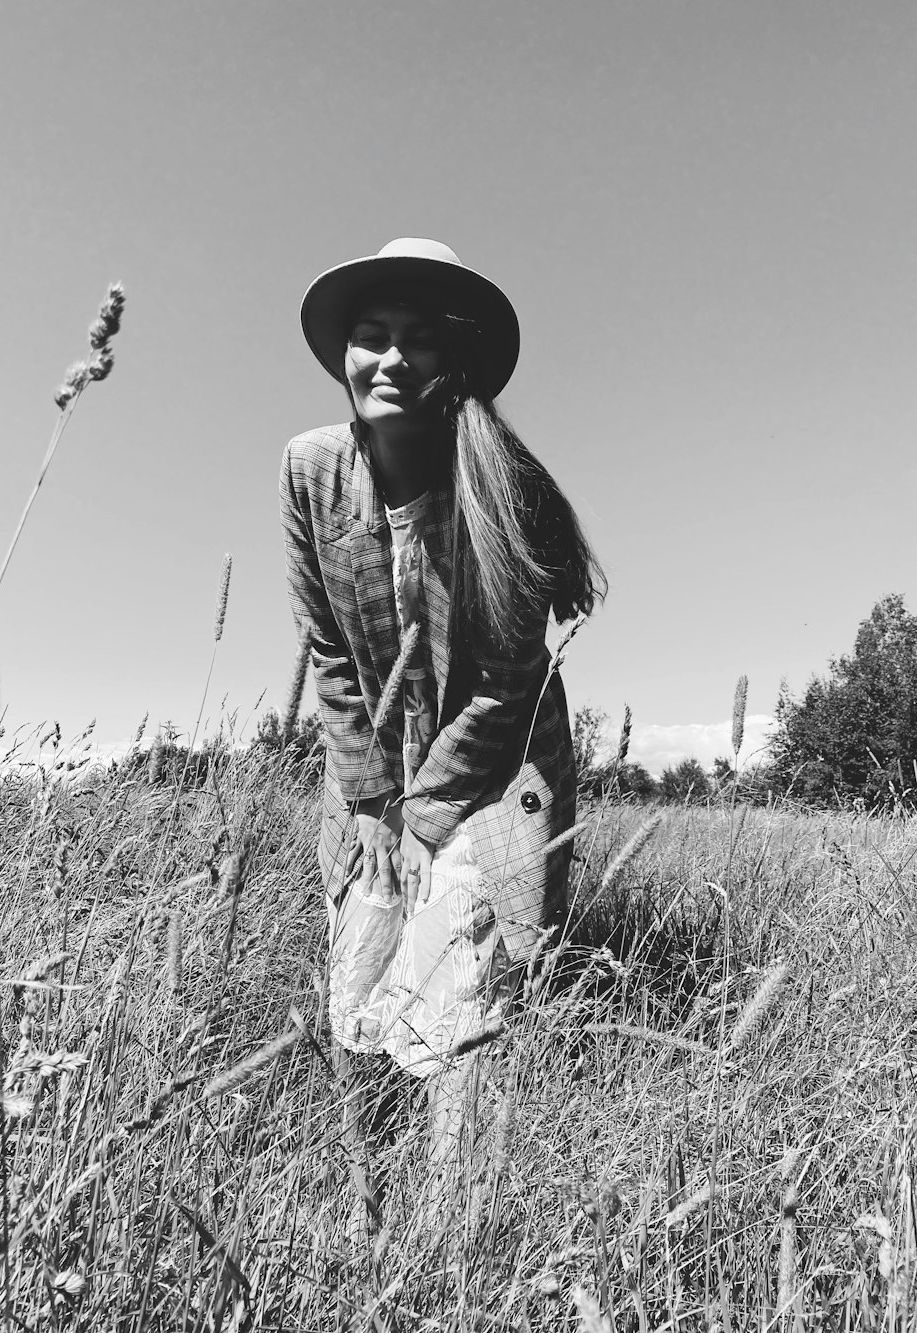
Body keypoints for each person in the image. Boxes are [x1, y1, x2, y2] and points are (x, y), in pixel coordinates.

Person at [279, 237, 605, 1218]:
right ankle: (362, 1210)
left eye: (418, 341)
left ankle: (445, 1239)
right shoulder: (309, 469)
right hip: (367, 771)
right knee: (362, 976)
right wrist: (376, 802)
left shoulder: (506, 482)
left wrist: (426, 816)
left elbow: (506, 676)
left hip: (498, 770)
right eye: (371, 336)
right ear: (344, 353)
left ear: (454, 361)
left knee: (463, 1005)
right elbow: (324, 644)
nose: (390, 359)